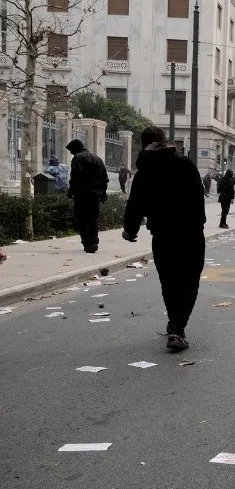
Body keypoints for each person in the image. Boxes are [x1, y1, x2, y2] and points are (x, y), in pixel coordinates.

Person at [122, 126, 205, 352]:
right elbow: (199, 197)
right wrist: (199, 224)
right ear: (165, 141)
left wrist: (130, 230)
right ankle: (178, 327)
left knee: (169, 282)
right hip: (190, 234)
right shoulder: (185, 164)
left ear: (143, 144)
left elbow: (135, 203)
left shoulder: (144, 171)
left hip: (162, 234)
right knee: (189, 281)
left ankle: (174, 322)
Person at [66, 139, 108, 254]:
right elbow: (104, 178)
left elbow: (75, 176)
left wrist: (71, 190)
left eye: (71, 150)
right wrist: (103, 193)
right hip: (95, 194)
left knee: (82, 219)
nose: (70, 153)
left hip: (82, 194)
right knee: (93, 218)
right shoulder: (97, 158)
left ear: (75, 148)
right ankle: (94, 242)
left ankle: (87, 243)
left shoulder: (77, 158)